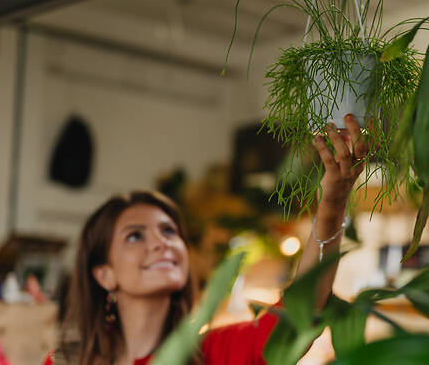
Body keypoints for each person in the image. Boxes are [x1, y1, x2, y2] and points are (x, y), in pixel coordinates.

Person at [43, 114, 369, 365]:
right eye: (134, 236)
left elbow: (300, 316)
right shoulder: (67, 362)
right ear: (104, 273)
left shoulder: (216, 354)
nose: (161, 242)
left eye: (169, 231)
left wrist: (332, 204)